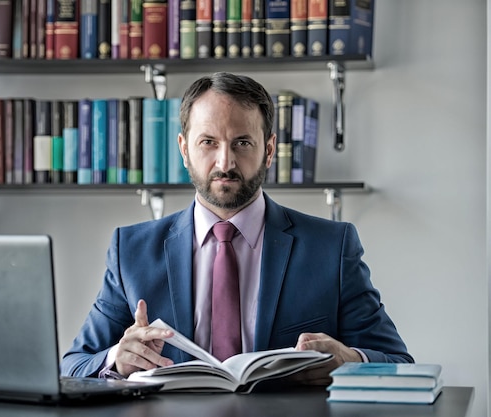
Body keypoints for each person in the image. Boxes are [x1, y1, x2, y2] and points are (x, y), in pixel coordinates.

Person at [61, 72, 413, 384]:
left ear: (269, 150)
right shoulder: (132, 250)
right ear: (184, 150)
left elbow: (398, 363)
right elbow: (74, 366)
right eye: (208, 142)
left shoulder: (331, 247)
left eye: (242, 143)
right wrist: (116, 360)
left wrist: (350, 361)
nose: (225, 162)